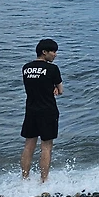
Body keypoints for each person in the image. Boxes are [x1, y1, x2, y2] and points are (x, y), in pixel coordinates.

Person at [20, 38, 63, 183]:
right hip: (48, 110)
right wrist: (55, 88)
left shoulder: (26, 68)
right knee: (46, 147)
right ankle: (44, 180)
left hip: (31, 110)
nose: (55, 54)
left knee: (28, 146)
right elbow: (60, 90)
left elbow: (33, 86)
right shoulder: (53, 69)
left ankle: (24, 179)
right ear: (44, 52)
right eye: (53, 51)